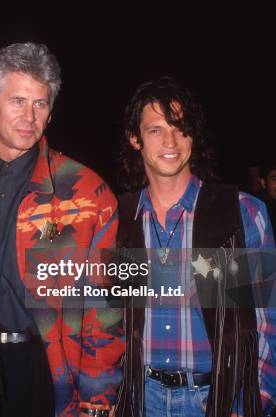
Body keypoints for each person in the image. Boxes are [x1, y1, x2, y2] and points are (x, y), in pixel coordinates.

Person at [0, 42, 123, 417]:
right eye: (17, 100)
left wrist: (97, 398)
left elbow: (105, 307)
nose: (29, 116)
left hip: (40, 370)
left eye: (40, 104)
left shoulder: (88, 194)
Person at [115, 77, 276, 417]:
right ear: (135, 138)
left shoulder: (241, 212)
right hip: (138, 400)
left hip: (217, 399)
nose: (170, 140)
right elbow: (99, 318)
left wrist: (254, 401)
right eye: (156, 129)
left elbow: (267, 320)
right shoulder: (116, 219)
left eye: (181, 128)